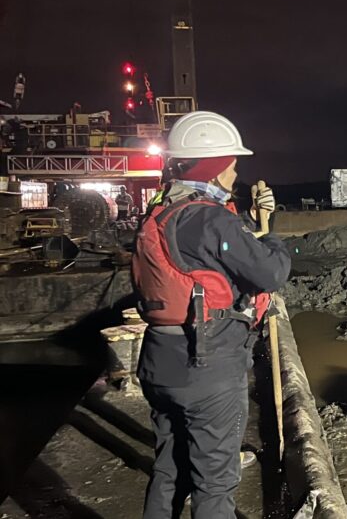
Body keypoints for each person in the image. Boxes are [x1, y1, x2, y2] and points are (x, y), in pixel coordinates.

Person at [131, 110, 288, 518]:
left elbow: (205, 251)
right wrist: (272, 236)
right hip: (206, 365)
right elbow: (270, 272)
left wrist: (247, 220)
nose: (236, 174)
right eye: (232, 166)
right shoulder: (210, 218)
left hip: (159, 360)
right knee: (214, 485)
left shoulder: (164, 207)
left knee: (169, 469)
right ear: (215, 169)